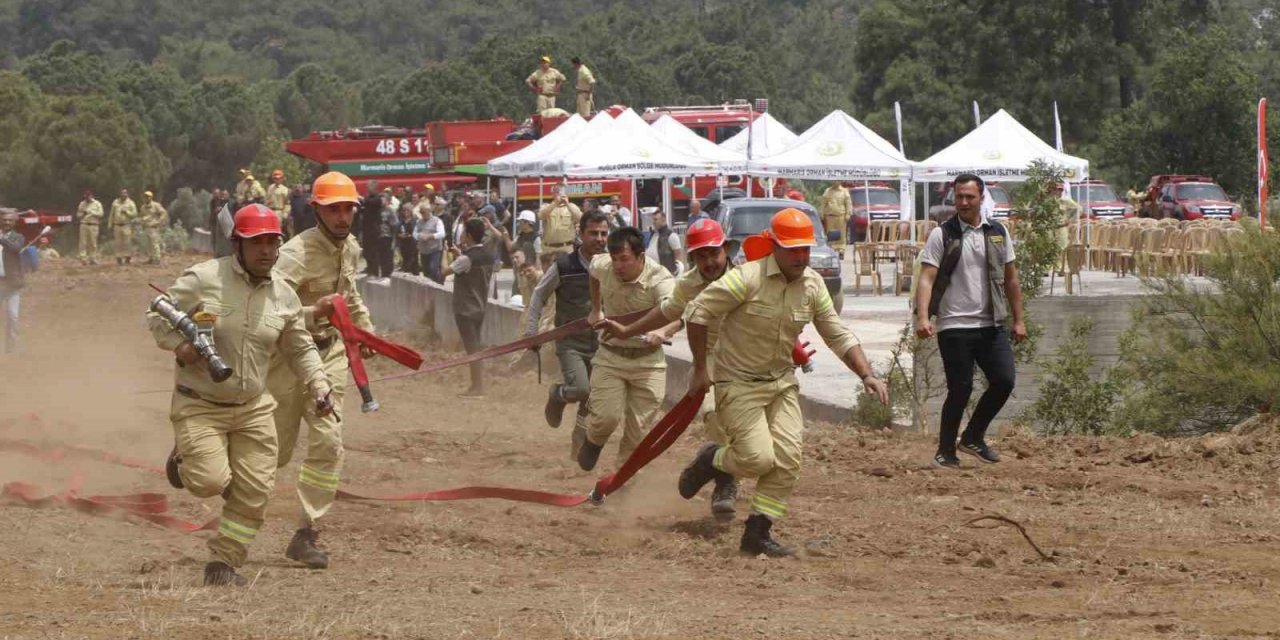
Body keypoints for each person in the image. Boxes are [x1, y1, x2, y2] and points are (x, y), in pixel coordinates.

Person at [677, 208, 887, 556]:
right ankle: (711, 460)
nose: (801, 257)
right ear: (774, 246)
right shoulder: (746, 278)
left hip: (781, 383)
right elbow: (697, 312)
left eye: (805, 249)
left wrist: (867, 374)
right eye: (792, 249)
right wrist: (700, 369)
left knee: (788, 459)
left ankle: (757, 533)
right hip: (739, 383)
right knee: (757, 459)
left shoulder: (813, 284)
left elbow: (836, 333)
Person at [149, 204, 332, 586]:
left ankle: (223, 563)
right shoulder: (203, 278)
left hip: (253, 409)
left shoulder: (284, 295)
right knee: (210, 482)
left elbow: (299, 347)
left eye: (272, 243)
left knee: (255, 489)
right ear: (238, 245)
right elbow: (157, 315)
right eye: (257, 243)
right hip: (200, 404)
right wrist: (180, 346)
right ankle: (184, 458)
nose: (266, 251)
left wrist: (319, 384)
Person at [265, 171, 378, 570]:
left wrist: (365, 331)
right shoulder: (294, 255)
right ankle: (202, 456)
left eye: (348, 209)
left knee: (329, 442)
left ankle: (307, 531)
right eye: (334, 210)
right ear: (316, 210)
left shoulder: (351, 248)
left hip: (330, 356)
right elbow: (268, 309)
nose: (343, 217)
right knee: (273, 450)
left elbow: (351, 296)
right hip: (289, 358)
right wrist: (315, 311)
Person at [597, 218, 738, 520]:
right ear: (692, 258)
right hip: (711, 358)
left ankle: (708, 463)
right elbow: (671, 313)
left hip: (751, 359)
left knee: (757, 441)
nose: (709, 262)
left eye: (714, 253)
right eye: (701, 256)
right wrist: (630, 330)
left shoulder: (748, 276)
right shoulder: (687, 284)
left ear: (726, 249)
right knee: (717, 417)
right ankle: (725, 484)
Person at [914, 174, 1026, 469]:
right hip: (954, 325)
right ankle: (945, 451)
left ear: (981, 198)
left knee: (1004, 380)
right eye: (959, 197)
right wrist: (923, 316)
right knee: (960, 389)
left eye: (969, 197)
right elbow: (926, 278)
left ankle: (973, 436)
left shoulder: (998, 232)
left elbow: (1011, 280)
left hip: (991, 324)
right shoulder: (942, 234)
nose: (963, 202)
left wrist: (1019, 320)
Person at [575, 226, 679, 471]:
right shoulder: (604, 265)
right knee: (605, 418)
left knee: (638, 432)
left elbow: (679, 312)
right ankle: (593, 441)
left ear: (641, 256)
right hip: (611, 357)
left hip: (648, 363)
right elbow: (593, 272)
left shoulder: (661, 280)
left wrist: (663, 332)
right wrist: (596, 309)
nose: (618, 266)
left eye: (624, 259)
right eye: (614, 259)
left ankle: (620, 480)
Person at [524, 212, 610, 441]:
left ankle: (580, 441)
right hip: (571, 342)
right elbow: (539, 295)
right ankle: (557, 394)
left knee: (594, 397)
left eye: (603, 233)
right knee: (581, 389)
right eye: (593, 233)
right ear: (581, 233)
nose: (599, 239)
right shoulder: (564, 266)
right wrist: (531, 331)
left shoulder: (612, 265)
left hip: (603, 343)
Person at [442, 218, 494, 398]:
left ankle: (477, 387)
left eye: (464, 232)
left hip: (465, 308)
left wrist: (444, 253)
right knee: (475, 345)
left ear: (469, 235)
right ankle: (477, 385)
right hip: (480, 306)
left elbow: (444, 271)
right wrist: (460, 255)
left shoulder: (467, 258)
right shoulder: (487, 255)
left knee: (472, 349)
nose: (462, 235)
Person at [537, 191, 583, 268]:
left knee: (567, 271)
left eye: (562, 192)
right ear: (553, 194)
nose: (560, 195)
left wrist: (567, 204)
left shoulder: (572, 207)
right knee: (547, 272)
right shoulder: (546, 206)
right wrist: (555, 203)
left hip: (566, 247)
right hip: (549, 248)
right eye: (557, 192)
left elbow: (580, 218)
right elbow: (541, 216)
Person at [0, 211, 24, 353]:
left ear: (14, 223)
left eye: (10, 220)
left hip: (11, 283)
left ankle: (12, 347)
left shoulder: (18, 237)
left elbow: (16, 248)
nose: (7, 222)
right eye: (4, 220)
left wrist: (2, 239)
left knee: (13, 316)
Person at [414, 199, 446, 284]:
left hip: (434, 250)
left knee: (433, 269)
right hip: (423, 250)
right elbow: (414, 233)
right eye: (420, 212)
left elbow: (442, 234)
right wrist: (419, 236)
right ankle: (428, 287)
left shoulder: (437, 221)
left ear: (428, 211)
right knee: (426, 272)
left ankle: (438, 284)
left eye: (423, 212)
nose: (421, 214)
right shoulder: (419, 221)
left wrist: (430, 236)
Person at [819, 182, 853, 259]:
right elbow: (823, 203)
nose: (835, 182)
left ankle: (841, 250)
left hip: (841, 216)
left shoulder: (844, 191)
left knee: (842, 235)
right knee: (830, 235)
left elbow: (848, 204)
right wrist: (821, 213)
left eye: (837, 180)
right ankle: (831, 250)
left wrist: (848, 214)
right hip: (830, 216)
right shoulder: (827, 191)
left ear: (840, 181)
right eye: (834, 180)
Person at [358, 182, 385, 277]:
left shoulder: (378, 198)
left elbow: (370, 202)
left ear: (374, 187)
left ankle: (375, 271)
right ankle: (369, 268)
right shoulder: (368, 197)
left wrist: (361, 198)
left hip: (374, 228)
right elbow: (364, 206)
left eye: (369, 186)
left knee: (373, 250)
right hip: (366, 228)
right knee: (367, 250)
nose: (367, 188)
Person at [645, 209, 683, 275]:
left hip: (667, 275)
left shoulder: (672, 236)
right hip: (653, 274)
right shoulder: (653, 235)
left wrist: (677, 275)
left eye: (656, 219)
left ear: (663, 220)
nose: (653, 222)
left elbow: (678, 258)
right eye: (653, 220)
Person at [109, 188, 138, 265]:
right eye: (122, 193)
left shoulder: (131, 203)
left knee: (127, 242)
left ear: (127, 194)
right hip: (117, 225)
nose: (123, 194)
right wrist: (110, 224)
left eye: (125, 193)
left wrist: (127, 212)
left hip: (126, 225)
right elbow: (112, 214)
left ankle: (127, 257)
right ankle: (119, 258)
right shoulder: (115, 202)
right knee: (118, 242)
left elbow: (135, 214)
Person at [140, 190, 169, 265]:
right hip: (146, 227)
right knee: (149, 244)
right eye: (145, 197)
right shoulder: (143, 207)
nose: (147, 198)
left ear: (151, 197)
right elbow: (142, 216)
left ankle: (157, 258)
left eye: (148, 197)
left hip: (153, 227)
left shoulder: (156, 205)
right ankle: (151, 258)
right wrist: (142, 223)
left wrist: (158, 222)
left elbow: (163, 213)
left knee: (154, 243)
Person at [76, 189, 104, 265]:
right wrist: (83, 213)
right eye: (85, 197)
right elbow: (78, 215)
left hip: (94, 225)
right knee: (83, 242)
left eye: (88, 197)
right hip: (84, 224)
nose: (86, 199)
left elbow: (101, 214)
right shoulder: (82, 204)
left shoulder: (97, 203)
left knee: (93, 243)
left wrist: (92, 213)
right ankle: (83, 258)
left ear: (91, 196)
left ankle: (93, 258)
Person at [265, 169, 292, 236]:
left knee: (277, 230)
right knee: (269, 230)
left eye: (278, 178)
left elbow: (287, 204)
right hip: (269, 211)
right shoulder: (270, 187)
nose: (277, 180)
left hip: (279, 211)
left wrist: (285, 214)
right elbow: (267, 199)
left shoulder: (285, 189)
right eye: (275, 178)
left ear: (282, 179)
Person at [395, 203, 419, 275]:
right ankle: (406, 272)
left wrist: (408, 235)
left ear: (411, 211)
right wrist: (399, 235)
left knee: (412, 260)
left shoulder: (415, 220)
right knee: (405, 259)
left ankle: (414, 274)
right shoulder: (401, 220)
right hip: (403, 243)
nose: (405, 212)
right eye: (404, 210)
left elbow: (415, 231)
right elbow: (397, 230)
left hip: (412, 243)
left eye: (407, 210)